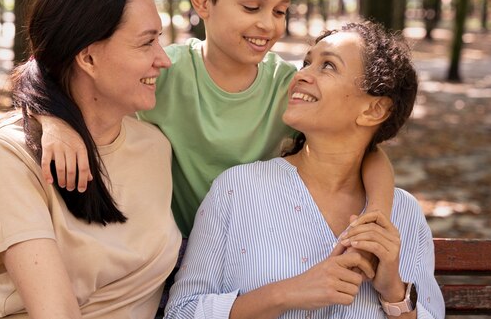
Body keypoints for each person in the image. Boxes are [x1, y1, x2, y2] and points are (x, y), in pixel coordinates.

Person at [36, 0, 395, 239]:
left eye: (280, 10)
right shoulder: (161, 72)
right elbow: (65, 81)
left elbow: (364, 150)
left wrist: (378, 211)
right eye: (251, 7)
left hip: (256, 252)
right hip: (172, 255)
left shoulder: (289, 86)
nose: (268, 24)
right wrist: (54, 121)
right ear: (203, 0)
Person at [164, 22, 445, 319]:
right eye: (307, 62)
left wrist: (395, 292)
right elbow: (181, 312)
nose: (300, 75)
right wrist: (287, 293)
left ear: (373, 110)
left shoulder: (404, 214)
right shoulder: (236, 190)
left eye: (328, 66)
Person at [0, 0, 182, 319]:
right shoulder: (9, 153)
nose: (164, 60)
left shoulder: (154, 147)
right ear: (88, 57)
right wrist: (47, 117)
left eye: (160, 39)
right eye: (147, 42)